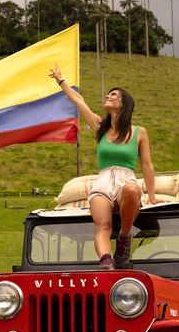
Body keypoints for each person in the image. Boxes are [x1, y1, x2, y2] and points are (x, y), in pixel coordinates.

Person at [50, 63, 156, 269]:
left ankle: (124, 239)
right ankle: (106, 261)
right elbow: (79, 101)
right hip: (103, 184)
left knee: (133, 190)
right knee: (103, 225)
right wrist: (61, 81)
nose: (108, 96)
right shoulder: (100, 127)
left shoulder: (139, 132)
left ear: (124, 104)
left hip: (127, 180)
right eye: (108, 94)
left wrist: (151, 197)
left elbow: (147, 166)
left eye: (114, 95)